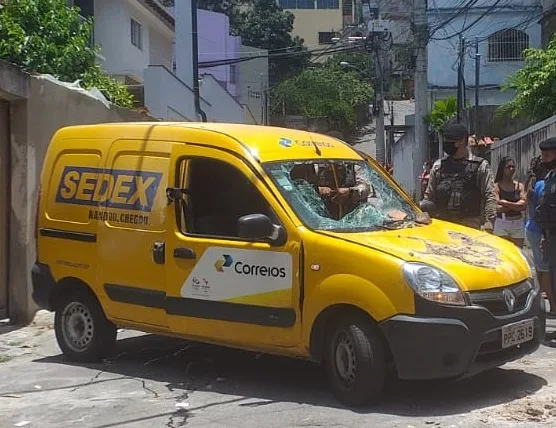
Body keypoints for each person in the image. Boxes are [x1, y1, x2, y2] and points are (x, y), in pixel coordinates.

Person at [424, 123, 497, 230]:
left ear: (462, 140)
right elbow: (429, 196)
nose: (446, 142)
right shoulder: (439, 166)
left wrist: (489, 223)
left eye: (449, 139)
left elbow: (489, 196)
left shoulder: (480, 166)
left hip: (471, 226)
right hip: (443, 226)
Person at [525, 155, 556, 313]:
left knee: (541, 268)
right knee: (546, 270)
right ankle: (552, 305)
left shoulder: (534, 184)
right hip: (542, 230)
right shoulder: (544, 184)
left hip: (533, 228)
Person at [534, 137, 556, 323]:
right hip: (551, 236)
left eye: (547, 154)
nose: (544, 159)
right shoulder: (549, 178)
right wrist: (543, 236)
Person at [493, 156, 527, 247]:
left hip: (518, 223)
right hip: (502, 223)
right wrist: (516, 205)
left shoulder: (519, 186)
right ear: (502, 169)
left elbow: (523, 205)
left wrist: (504, 202)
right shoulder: (496, 186)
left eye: (513, 167)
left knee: (518, 252)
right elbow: (497, 208)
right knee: (502, 251)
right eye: (508, 167)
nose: (511, 169)